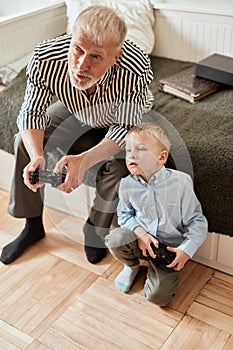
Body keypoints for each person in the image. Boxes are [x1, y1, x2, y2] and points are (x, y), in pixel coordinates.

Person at [0, 6, 154, 265]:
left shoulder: (134, 67)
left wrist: (83, 161)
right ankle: (32, 225)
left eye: (95, 57)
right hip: (77, 110)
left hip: (121, 118)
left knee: (123, 165)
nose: (82, 65)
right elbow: (32, 112)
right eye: (78, 50)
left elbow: (123, 127)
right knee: (24, 143)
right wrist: (37, 156)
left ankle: (94, 227)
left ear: (115, 57)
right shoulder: (45, 57)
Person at [105, 123, 208, 306]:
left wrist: (186, 250)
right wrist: (141, 234)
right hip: (139, 240)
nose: (131, 155)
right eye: (128, 150)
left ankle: (157, 273)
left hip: (166, 250)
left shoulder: (181, 183)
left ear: (161, 157)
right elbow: (124, 215)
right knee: (115, 238)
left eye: (140, 149)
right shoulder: (127, 184)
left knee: (158, 298)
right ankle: (131, 265)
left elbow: (197, 221)